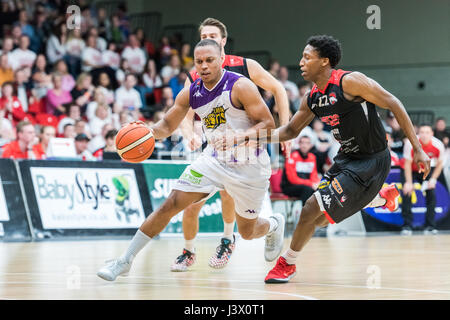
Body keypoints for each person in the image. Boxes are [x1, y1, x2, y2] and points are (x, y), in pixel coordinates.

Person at [97, 39, 285, 281]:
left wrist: (239, 137)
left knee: (248, 232)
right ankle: (125, 261)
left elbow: (269, 124)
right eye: (199, 62)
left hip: (250, 166)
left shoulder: (241, 86)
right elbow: (166, 125)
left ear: (221, 60)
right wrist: (146, 133)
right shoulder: (191, 92)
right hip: (214, 161)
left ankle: (273, 225)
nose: (204, 66)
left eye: (209, 60)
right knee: (170, 204)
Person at [250, 35, 431, 283]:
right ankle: (378, 199)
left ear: (324, 61)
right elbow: (291, 131)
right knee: (321, 219)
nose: (301, 62)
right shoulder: (312, 97)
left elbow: (393, 102)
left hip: (372, 160)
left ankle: (287, 263)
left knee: (310, 209)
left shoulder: (350, 82)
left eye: (307, 57)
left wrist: (418, 148)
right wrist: (255, 137)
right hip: (346, 159)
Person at [172, 17, 291, 272]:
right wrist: (187, 132)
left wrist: (285, 130)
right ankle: (188, 251)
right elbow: (183, 110)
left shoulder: (245, 66)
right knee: (191, 203)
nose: (208, 40)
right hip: (216, 146)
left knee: (229, 195)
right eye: (204, 36)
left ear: (223, 41)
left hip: (248, 147)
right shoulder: (197, 73)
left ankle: (227, 239)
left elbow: (279, 89)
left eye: (213, 36)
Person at [400, 124, 446, 235]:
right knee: (407, 193)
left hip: (425, 170)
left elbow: (440, 164)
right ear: (418, 134)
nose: (424, 135)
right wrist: (409, 182)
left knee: (431, 195)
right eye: (422, 132)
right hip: (410, 169)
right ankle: (407, 226)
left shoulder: (438, 145)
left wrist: (433, 179)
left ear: (432, 134)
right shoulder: (410, 144)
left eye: (427, 132)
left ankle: (430, 226)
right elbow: (407, 164)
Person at [281, 135, 320, 203]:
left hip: (306, 186)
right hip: (289, 187)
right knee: (307, 189)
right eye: (302, 143)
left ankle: (317, 213)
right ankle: (306, 212)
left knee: (319, 189)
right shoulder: (292, 156)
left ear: (311, 145)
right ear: (299, 144)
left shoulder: (312, 157)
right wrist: (311, 184)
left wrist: (316, 184)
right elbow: (292, 179)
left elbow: (314, 175)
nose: (304, 145)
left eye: (307, 143)